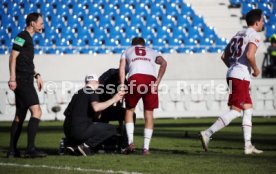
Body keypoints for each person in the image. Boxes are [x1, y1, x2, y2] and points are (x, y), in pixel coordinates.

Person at [200, 9, 264, 155]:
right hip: (240, 76)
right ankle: (208, 133)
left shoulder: (238, 33)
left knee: (248, 109)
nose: (263, 23)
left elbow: (224, 56)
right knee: (236, 111)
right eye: (262, 20)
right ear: (256, 22)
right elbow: (249, 55)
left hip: (232, 74)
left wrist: (234, 68)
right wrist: (256, 69)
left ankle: (248, 146)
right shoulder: (254, 35)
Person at [7, 12, 46, 158]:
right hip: (22, 81)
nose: (43, 26)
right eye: (41, 23)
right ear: (32, 24)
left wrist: (36, 75)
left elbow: (26, 62)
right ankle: (30, 149)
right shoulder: (22, 36)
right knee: (37, 111)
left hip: (26, 78)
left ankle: (12, 150)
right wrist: (12, 78)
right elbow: (13, 57)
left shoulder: (28, 38)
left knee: (20, 116)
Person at [119, 37, 167, 155]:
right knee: (149, 113)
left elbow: (122, 69)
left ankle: (130, 142)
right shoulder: (151, 51)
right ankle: (146, 148)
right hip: (150, 79)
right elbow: (164, 63)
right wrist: (157, 82)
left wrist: (122, 85)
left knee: (129, 110)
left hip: (135, 78)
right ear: (143, 45)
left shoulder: (126, 50)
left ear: (132, 44)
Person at [63, 74, 125, 156]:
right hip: (79, 131)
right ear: (97, 82)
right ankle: (86, 146)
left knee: (91, 127)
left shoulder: (77, 93)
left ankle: (71, 145)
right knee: (111, 129)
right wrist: (114, 99)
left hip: (67, 131)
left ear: (86, 82)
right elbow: (96, 108)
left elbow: (66, 112)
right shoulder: (91, 91)